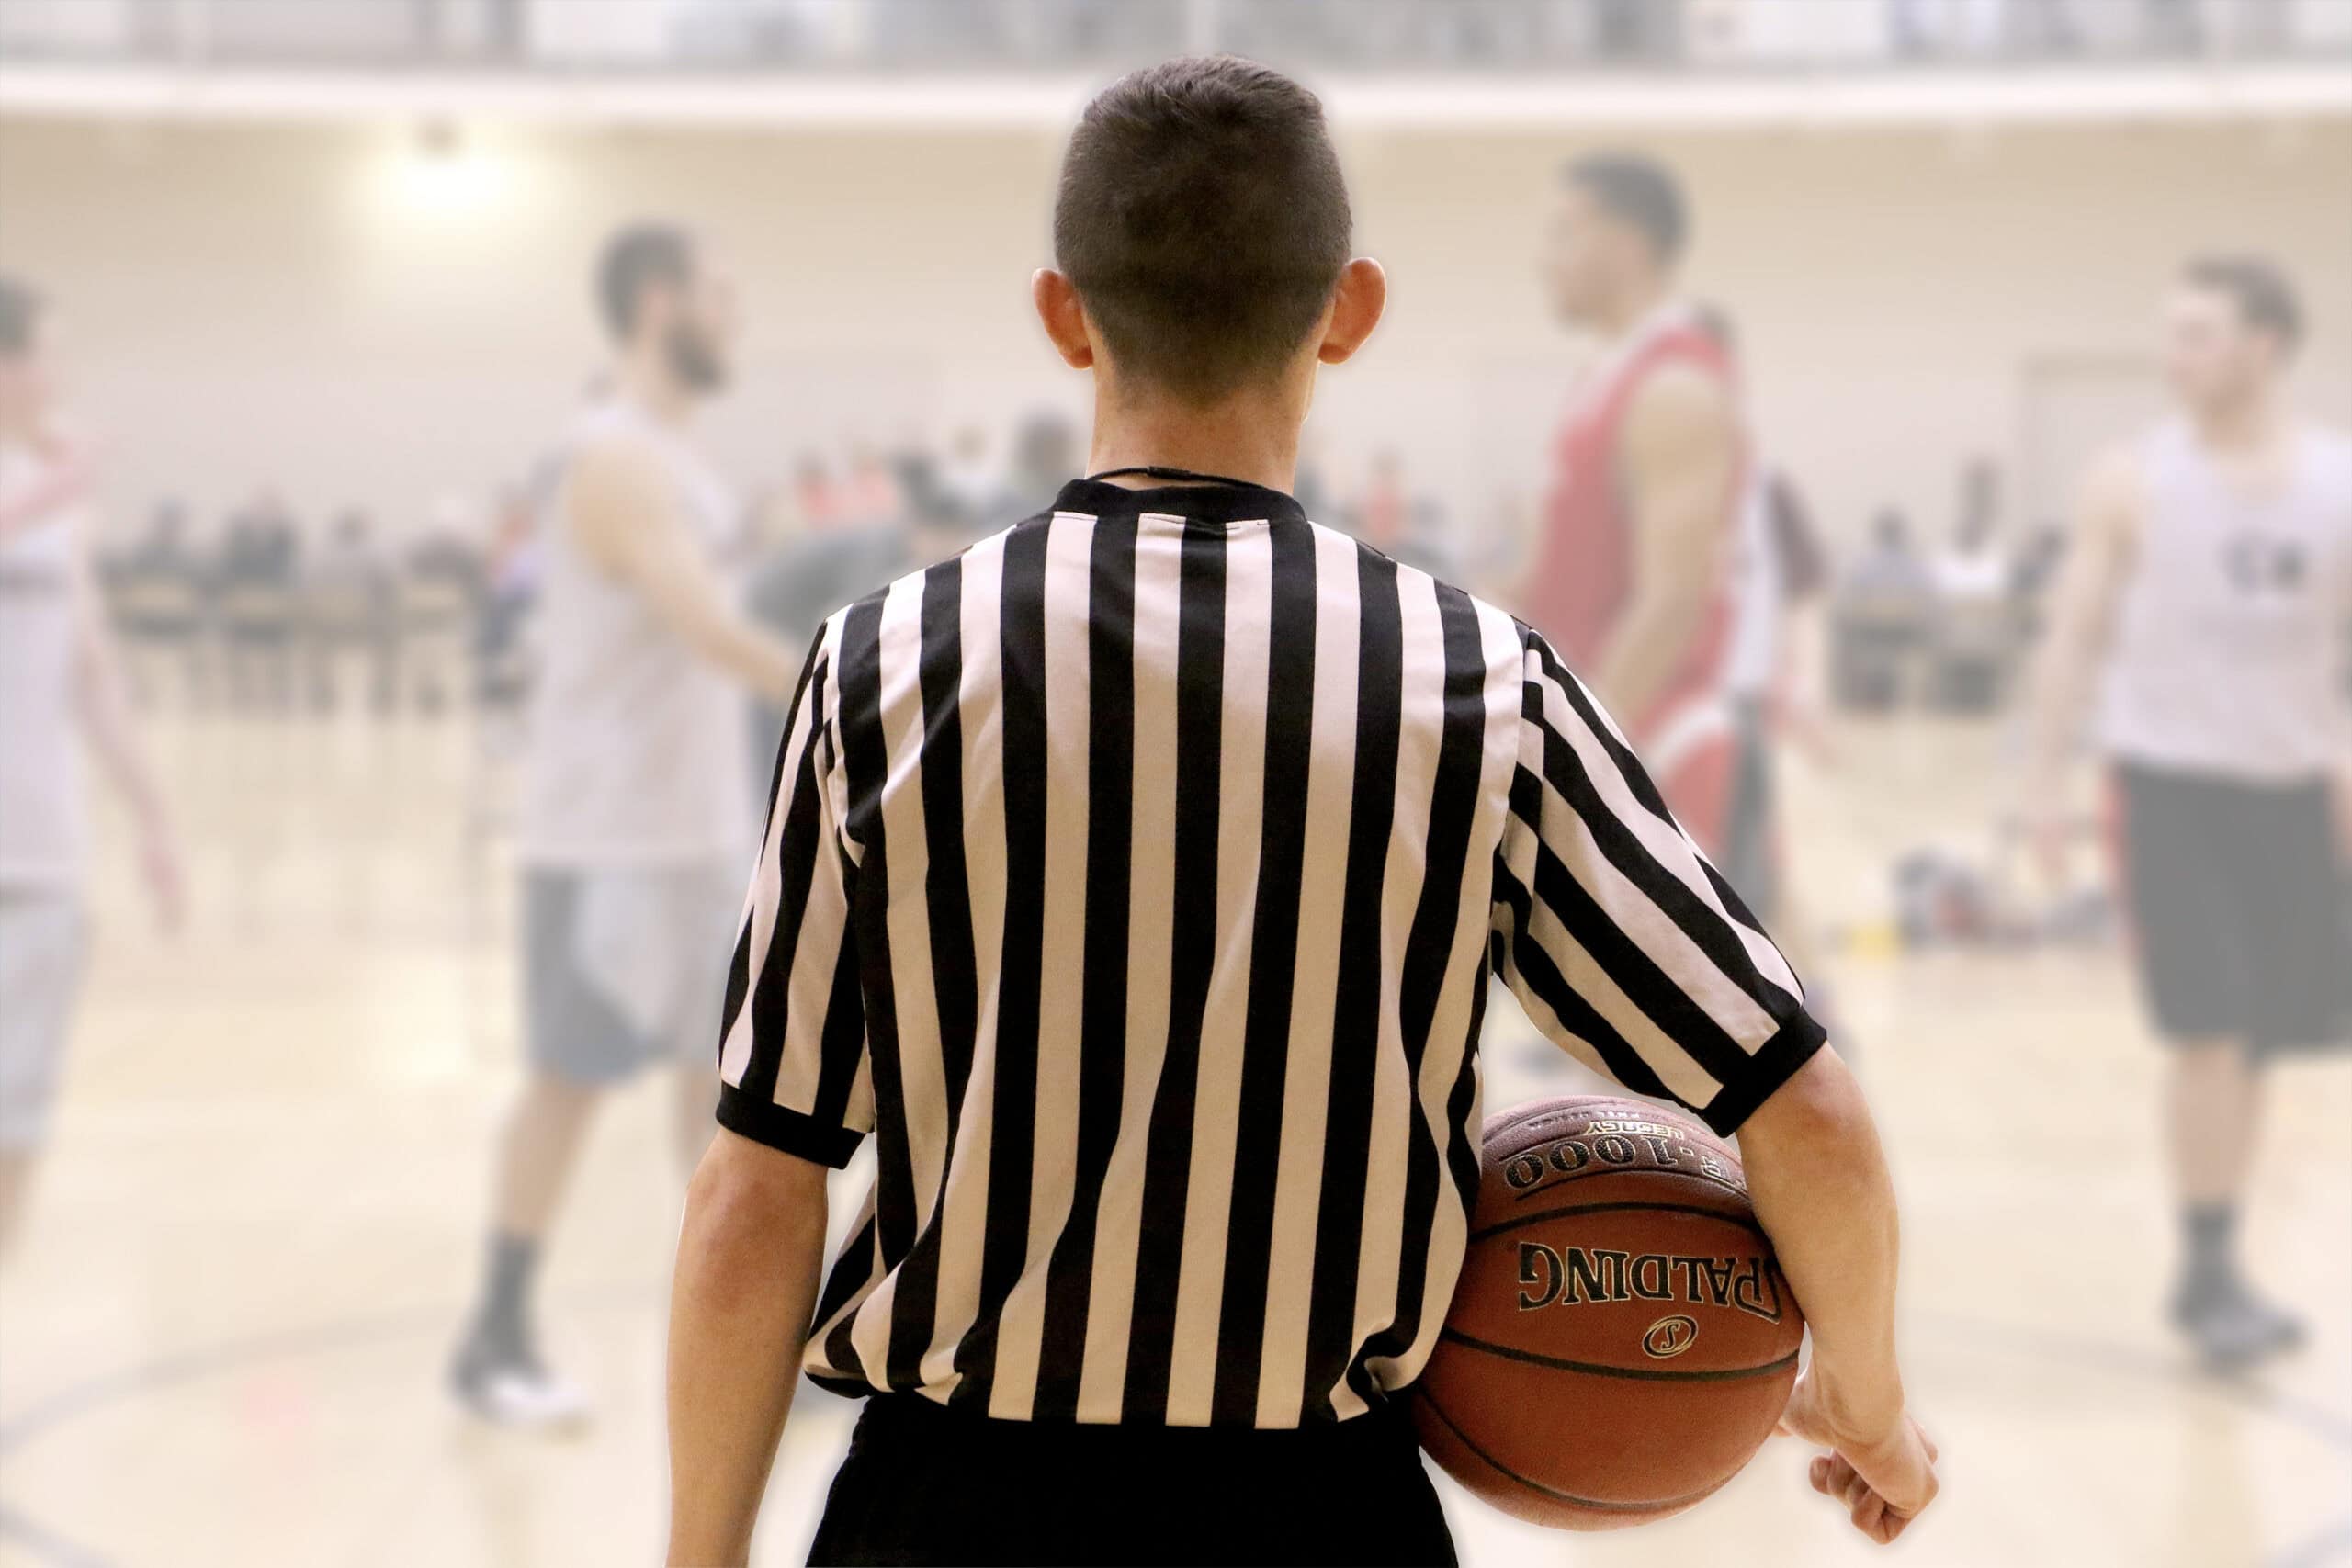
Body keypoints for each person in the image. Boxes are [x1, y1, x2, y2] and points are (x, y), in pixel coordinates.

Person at [665, 58, 1938, 1566]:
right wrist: (1868, 1403)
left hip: (943, 1505)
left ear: (1066, 314)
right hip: (1317, 1515)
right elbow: (1809, 1114)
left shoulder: (882, 662)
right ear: (1348, 309)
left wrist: (702, 1556)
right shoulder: (1479, 683)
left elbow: (758, 1191)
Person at [447, 222, 806, 1427]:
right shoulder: (612, 457)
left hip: (691, 834)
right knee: (567, 1082)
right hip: (604, 840)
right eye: (719, 289)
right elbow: (707, 629)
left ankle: (745, 1342)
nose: (735, 311)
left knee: (719, 1101)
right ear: (662, 304)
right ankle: (493, 1334)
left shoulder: (682, 459)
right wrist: (863, 695)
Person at [2022, 254, 2351, 1371]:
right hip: (2166, 786)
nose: (2175, 356)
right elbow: (2071, 634)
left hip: (2291, 792)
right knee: (2206, 1029)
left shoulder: (2333, 484)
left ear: (2262, 347)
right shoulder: (2133, 478)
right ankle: (2203, 1267)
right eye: (2170, 334)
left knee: (2257, 1042)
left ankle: (2222, 1255)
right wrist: (2040, 788)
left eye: (2199, 334)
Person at [0, 275, 186, 1256]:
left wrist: (153, 822)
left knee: (15, 1122)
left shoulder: (58, 509)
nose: (57, 374)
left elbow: (90, 673)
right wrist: (37, 499)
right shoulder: (42, 494)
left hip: (40, 855)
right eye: (45, 351)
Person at [1520, 150, 1750, 863]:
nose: (1544, 258)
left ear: (1626, 244)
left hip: (1655, 746)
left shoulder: (1674, 385)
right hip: (1605, 726)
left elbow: (1671, 602)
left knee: (1704, 977)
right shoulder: (1604, 379)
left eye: (1564, 232)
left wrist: (1584, 763)